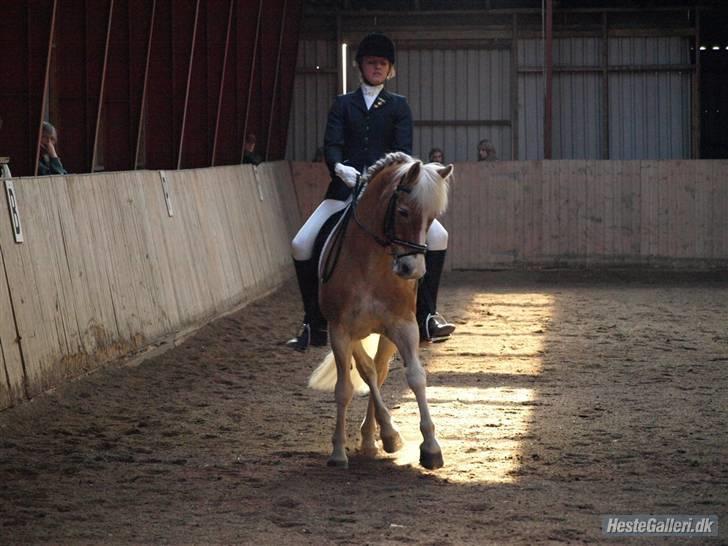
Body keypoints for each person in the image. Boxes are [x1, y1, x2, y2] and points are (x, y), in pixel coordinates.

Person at [286, 32, 455, 351]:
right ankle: (313, 323)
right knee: (301, 243)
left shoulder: (398, 106)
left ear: (389, 68)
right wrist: (339, 168)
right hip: (344, 190)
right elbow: (332, 144)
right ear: (360, 66)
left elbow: (404, 152)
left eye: (382, 63)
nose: (376, 67)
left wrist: (381, 180)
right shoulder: (343, 104)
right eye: (370, 62)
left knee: (438, 237)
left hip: (385, 195)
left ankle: (427, 317)